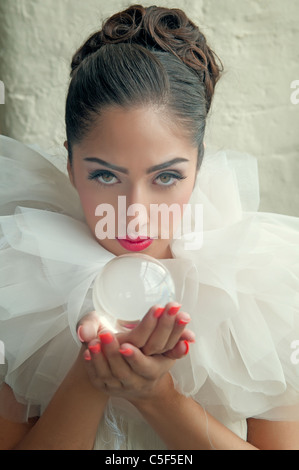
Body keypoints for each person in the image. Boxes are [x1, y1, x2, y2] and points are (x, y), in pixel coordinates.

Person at [0, 4, 299, 450]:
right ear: (69, 163)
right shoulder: (17, 283)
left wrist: (157, 397)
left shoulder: (261, 284)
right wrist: (90, 376)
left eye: (166, 177)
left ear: (198, 165)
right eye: (105, 175)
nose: (135, 212)